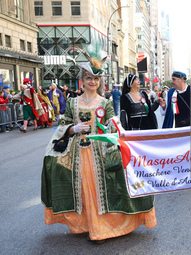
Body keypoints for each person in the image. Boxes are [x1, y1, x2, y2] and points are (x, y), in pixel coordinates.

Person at [41, 48, 156, 244]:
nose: (92, 82)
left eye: (96, 78)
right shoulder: (72, 103)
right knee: (83, 189)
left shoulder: (106, 102)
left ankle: (100, 229)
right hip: (78, 152)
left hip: (100, 153)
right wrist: (72, 128)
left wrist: (115, 126)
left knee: (98, 188)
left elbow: (113, 124)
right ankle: (88, 224)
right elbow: (62, 126)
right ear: (82, 81)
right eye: (88, 78)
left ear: (100, 81)